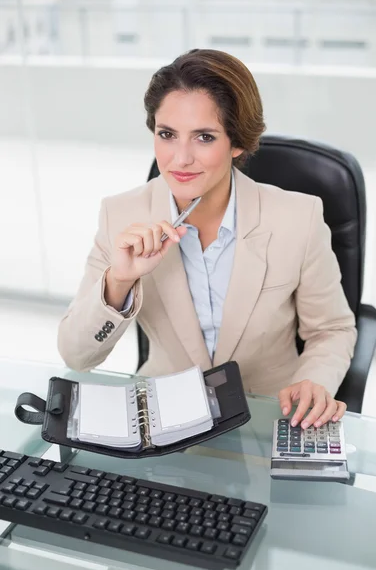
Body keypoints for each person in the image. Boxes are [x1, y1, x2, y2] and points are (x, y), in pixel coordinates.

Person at [58, 48, 357, 430]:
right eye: (167, 134)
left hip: (270, 415)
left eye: (203, 137)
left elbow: (331, 329)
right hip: (165, 420)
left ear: (238, 143)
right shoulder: (121, 216)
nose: (180, 159)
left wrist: (314, 379)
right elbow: (76, 356)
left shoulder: (298, 217)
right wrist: (120, 281)